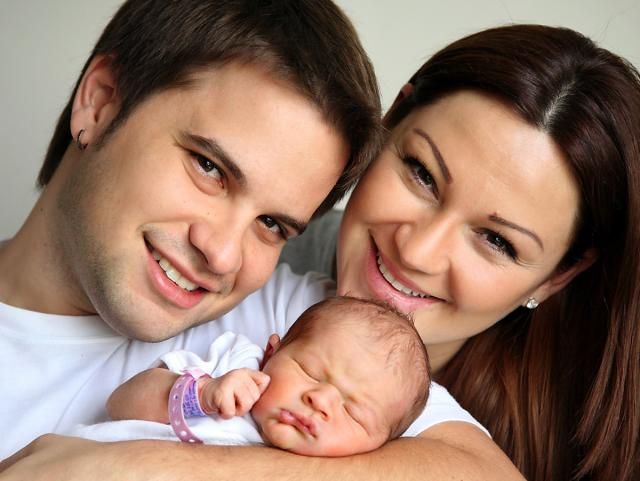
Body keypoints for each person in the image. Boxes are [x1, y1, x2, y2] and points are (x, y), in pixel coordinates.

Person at [0, 1, 515, 481]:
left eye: (272, 224)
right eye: (209, 168)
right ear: (100, 103)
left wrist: (134, 467)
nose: (223, 255)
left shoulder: (298, 324)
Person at [280, 24, 640, 481]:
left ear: (557, 276)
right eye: (422, 174)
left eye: (497, 240)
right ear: (390, 120)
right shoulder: (247, 264)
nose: (418, 252)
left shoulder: (581, 444)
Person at [70, 296, 432, 457]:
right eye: (309, 372)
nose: (321, 400)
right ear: (272, 353)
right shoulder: (235, 363)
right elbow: (120, 403)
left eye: (354, 413)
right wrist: (203, 394)